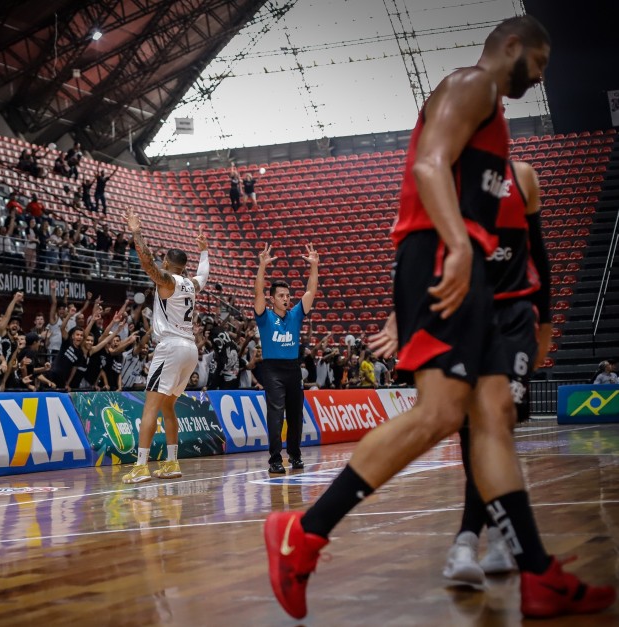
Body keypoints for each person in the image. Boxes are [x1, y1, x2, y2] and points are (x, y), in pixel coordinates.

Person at [263, 16, 614, 621]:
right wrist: (455, 244)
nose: (544, 72)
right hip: (441, 251)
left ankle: (535, 572)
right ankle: (303, 531)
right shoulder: (472, 82)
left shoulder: (495, 118)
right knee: (441, 412)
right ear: (512, 47)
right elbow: (428, 165)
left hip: (460, 262)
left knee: (489, 417)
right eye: (541, 59)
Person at [440, 157, 556, 585]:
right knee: (473, 431)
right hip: (465, 318)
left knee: (496, 427)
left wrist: (545, 323)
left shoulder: (522, 177)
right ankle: (501, 536)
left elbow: (539, 255)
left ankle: (469, 539)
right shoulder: (448, 178)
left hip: (514, 319)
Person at [122, 208, 209, 484]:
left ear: (168, 264)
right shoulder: (191, 284)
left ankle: (140, 466)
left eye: (162, 262)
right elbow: (204, 274)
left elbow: (147, 264)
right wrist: (204, 252)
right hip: (190, 349)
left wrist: (136, 232)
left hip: (171, 346)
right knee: (168, 407)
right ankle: (171, 463)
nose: (159, 264)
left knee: (150, 407)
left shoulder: (168, 281)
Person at [253, 243, 319, 474]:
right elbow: (258, 292)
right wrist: (262, 266)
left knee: (295, 415)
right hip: (272, 370)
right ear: (272, 299)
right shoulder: (264, 317)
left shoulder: (295, 315)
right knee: (275, 415)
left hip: (292, 369)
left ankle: (295, 456)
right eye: (281, 295)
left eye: (288, 295)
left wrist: (314, 267)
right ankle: (274, 460)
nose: (286, 298)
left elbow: (310, 292)